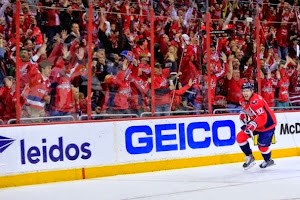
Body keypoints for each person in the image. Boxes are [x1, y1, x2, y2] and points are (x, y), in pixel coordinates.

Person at [236, 82, 277, 169]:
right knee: (240, 137)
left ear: (252, 91)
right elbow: (248, 109)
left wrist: (253, 124)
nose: (245, 93)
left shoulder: (256, 101)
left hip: (267, 125)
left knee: (262, 147)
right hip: (255, 124)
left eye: (247, 91)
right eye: (243, 91)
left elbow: (263, 117)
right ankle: (250, 157)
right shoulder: (242, 100)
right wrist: (244, 113)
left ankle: (268, 160)